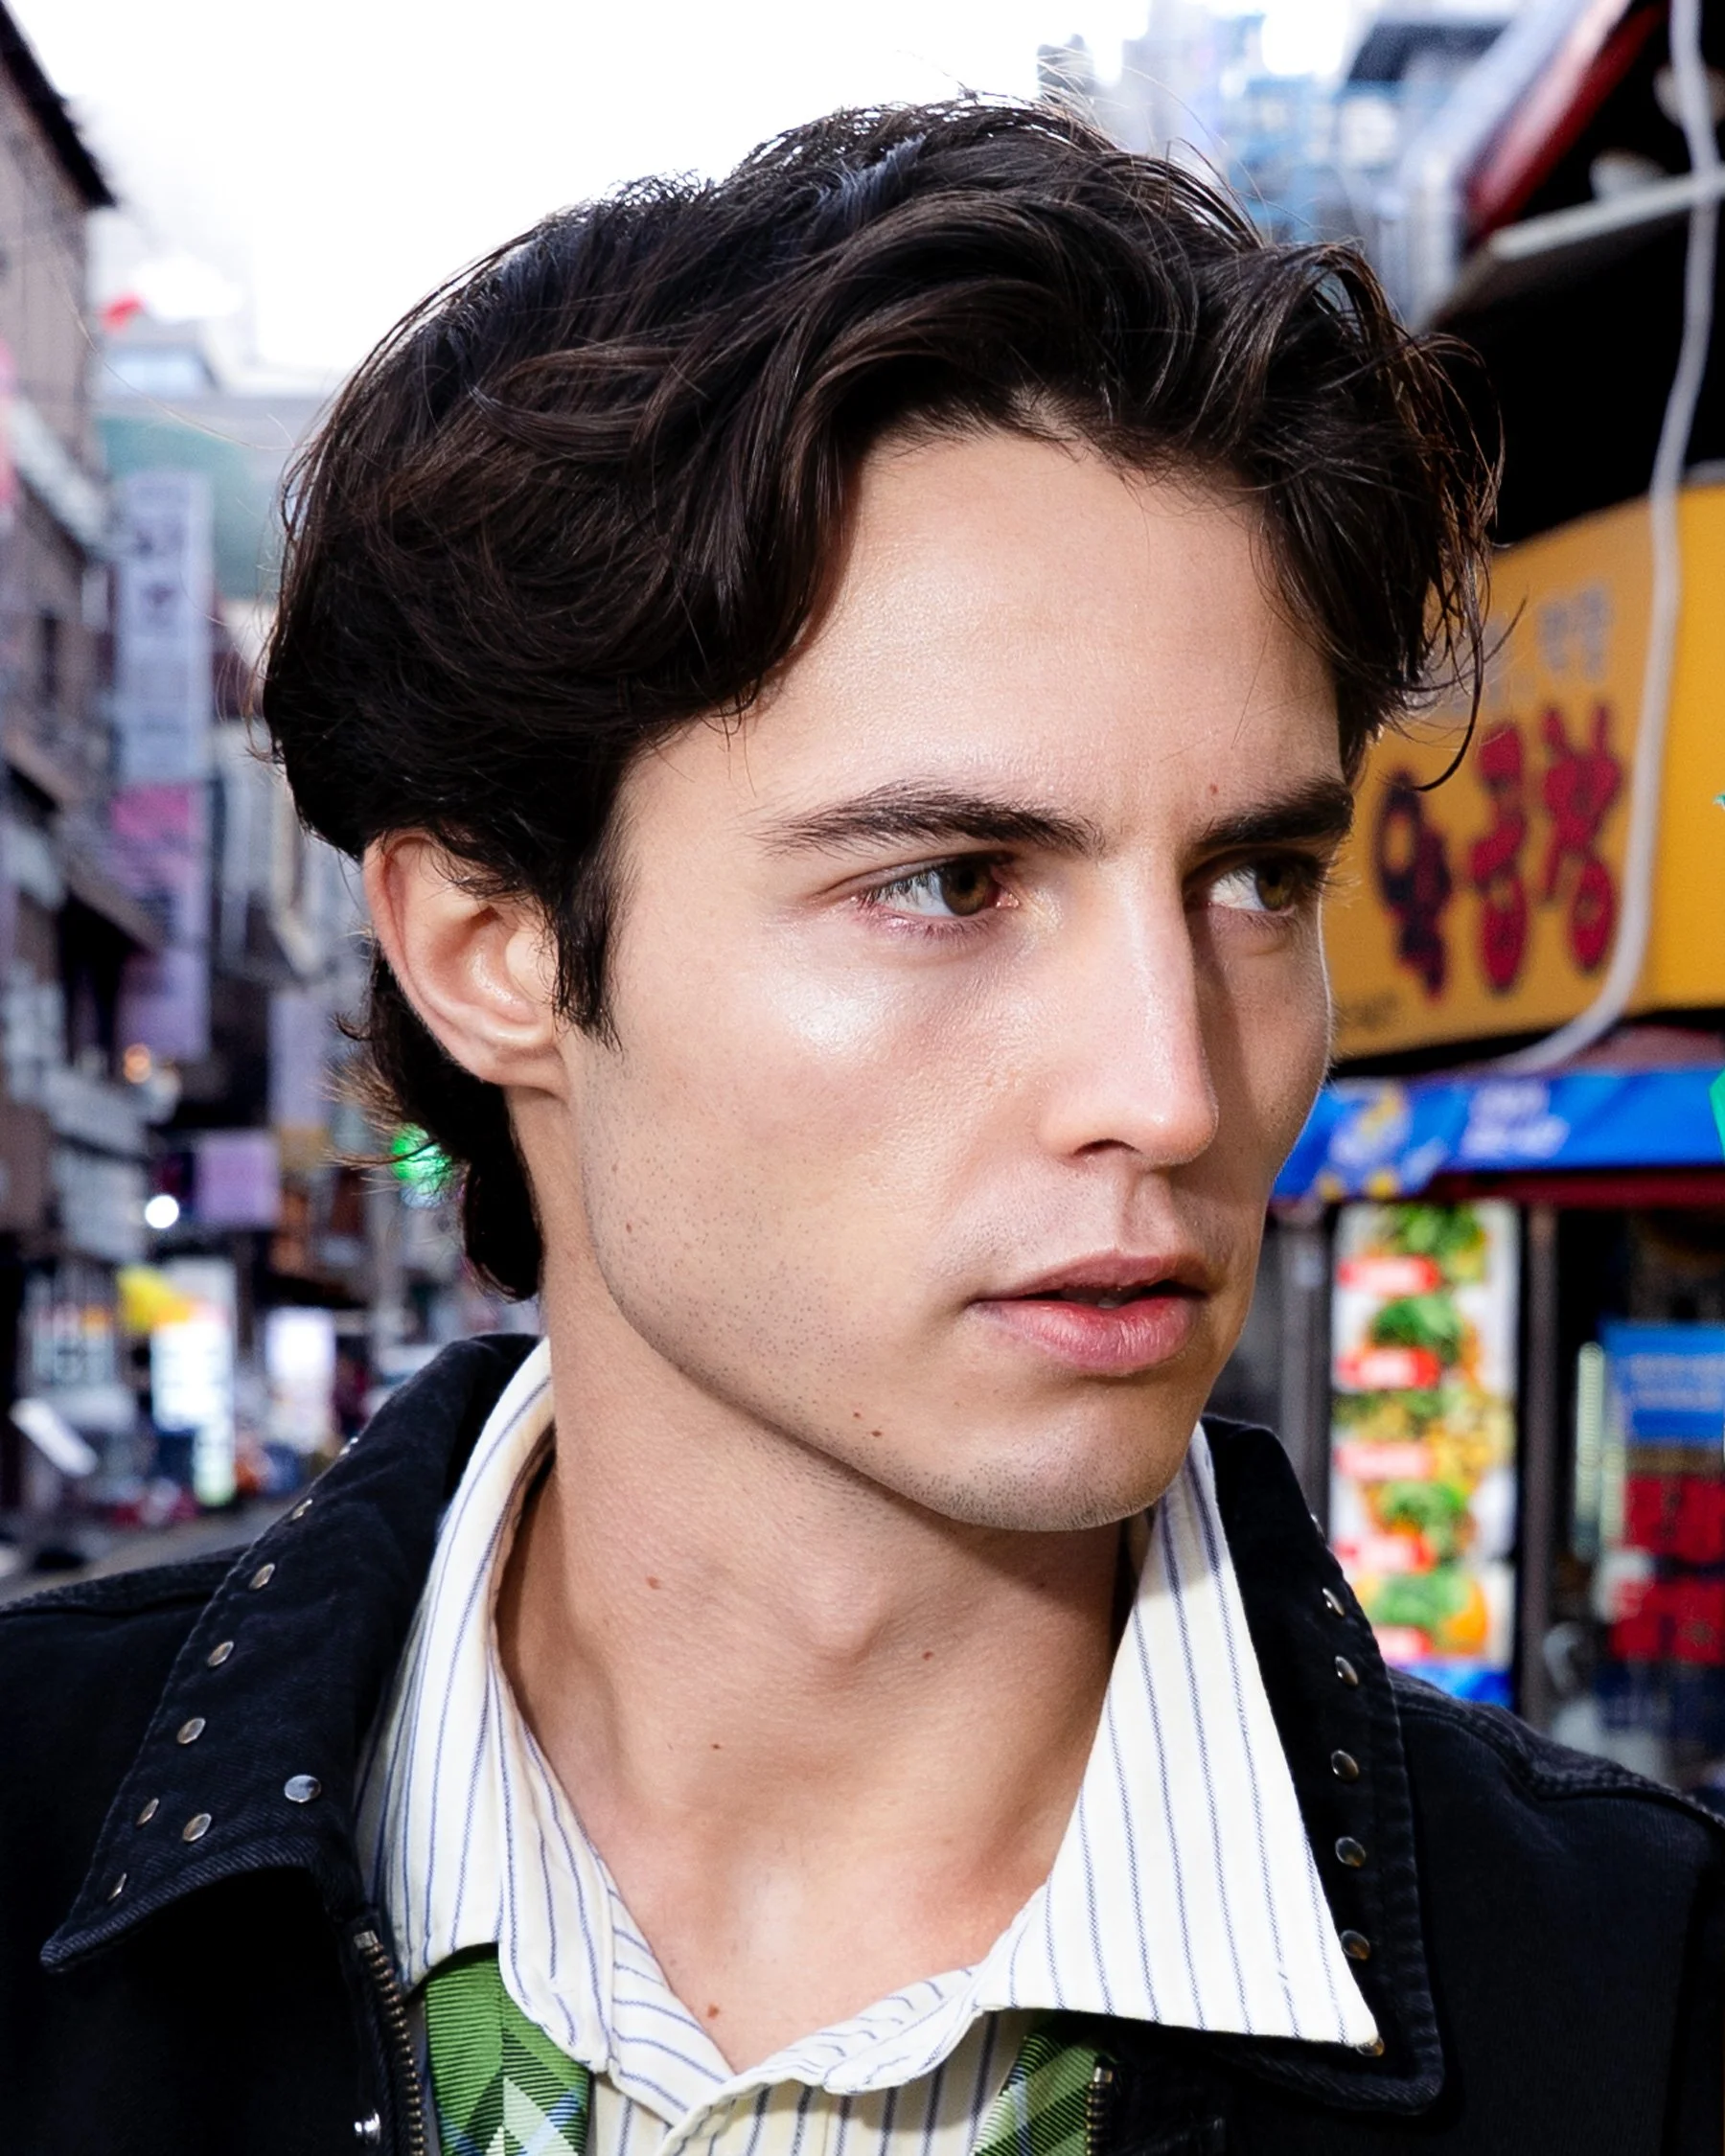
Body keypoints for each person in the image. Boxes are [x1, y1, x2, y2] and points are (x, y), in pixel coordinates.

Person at [1, 101, 1717, 2156]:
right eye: (950, 884)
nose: (1172, 1087)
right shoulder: (34, 1847)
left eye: (1257, 880)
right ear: (493, 947)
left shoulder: (1643, 2011)